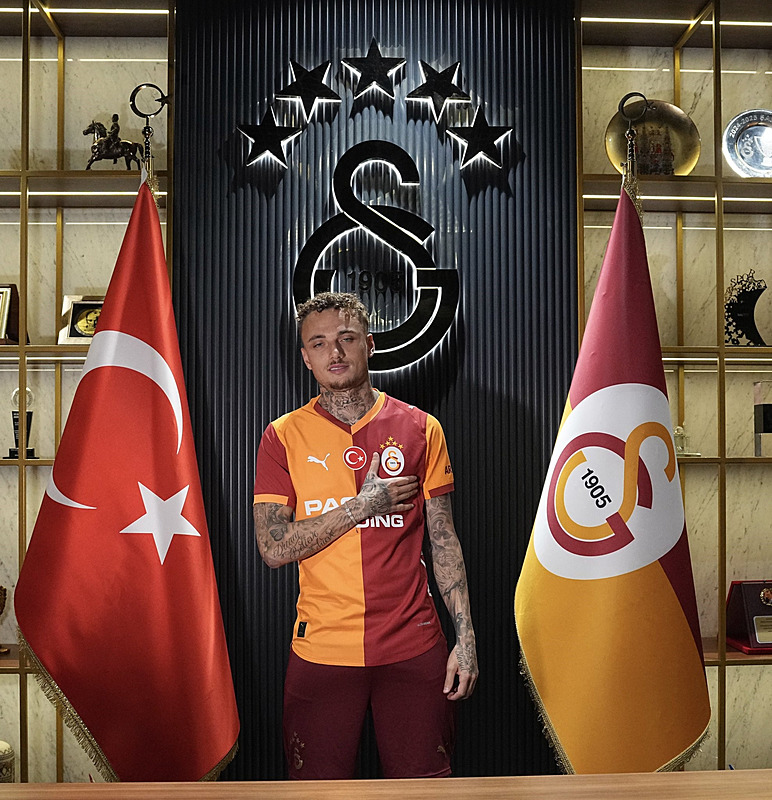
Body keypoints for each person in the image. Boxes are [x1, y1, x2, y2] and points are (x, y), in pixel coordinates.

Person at [253, 291, 478, 780]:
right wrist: (363, 506)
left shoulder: (422, 428)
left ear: (369, 344)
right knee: (316, 792)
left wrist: (465, 638)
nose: (334, 352)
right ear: (305, 357)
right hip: (322, 650)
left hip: (413, 646)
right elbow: (272, 548)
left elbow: (444, 541)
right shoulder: (282, 436)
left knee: (426, 789)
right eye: (318, 343)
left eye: (346, 338)